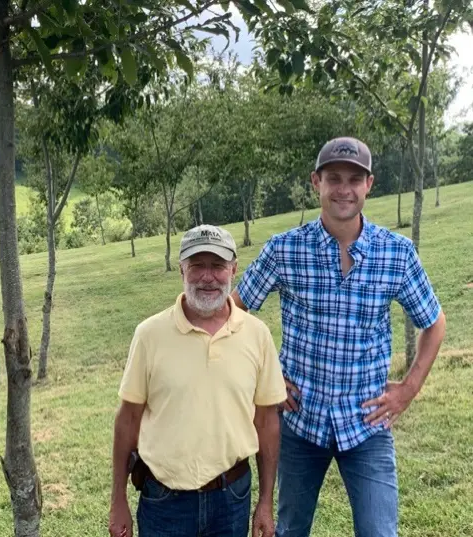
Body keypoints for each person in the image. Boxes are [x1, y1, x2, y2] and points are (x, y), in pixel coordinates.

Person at [232, 137, 446, 537]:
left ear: (369, 185)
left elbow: (434, 323)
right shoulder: (284, 250)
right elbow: (233, 314)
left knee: (379, 531)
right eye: (334, 178)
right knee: (290, 528)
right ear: (316, 182)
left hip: (366, 423)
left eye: (354, 179)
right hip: (300, 422)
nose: (344, 189)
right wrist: (261, 379)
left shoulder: (396, 254)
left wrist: (408, 389)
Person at [109, 225, 287, 537]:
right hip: (163, 500)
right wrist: (118, 498)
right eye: (197, 266)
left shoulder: (257, 335)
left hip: (232, 497)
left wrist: (266, 502)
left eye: (217, 266)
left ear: (234, 269)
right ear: (181, 270)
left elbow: (267, 421)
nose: (207, 277)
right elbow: (128, 419)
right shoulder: (149, 334)